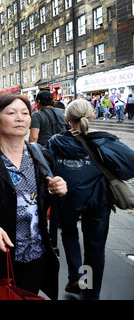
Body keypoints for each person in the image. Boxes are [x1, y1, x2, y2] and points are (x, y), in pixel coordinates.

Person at [0, 94, 67, 299]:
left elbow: (47, 197)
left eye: (25, 113)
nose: (21, 118)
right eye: (12, 113)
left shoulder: (40, 154)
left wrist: (58, 190)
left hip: (35, 252)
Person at [46, 100, 134, 299]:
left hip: (66, 200)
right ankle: (91, 291)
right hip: (97, 201)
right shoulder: (106, 141)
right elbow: (130, 164)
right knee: (95, 248)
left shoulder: (55, 142)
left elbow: (47, 169)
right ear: (92, 117)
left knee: (69, 235)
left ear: (67, 119)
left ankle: (76, 275)